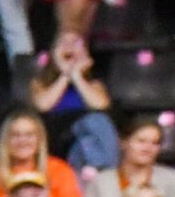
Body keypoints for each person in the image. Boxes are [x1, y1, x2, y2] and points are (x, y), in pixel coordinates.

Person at [28, 30, 119, 169]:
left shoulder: (94, 84)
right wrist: (65, 74)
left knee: (88, 139)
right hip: (57, 136)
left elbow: (100, 106)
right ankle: (106, 176)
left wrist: (77, 76)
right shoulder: (40, 83)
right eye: (63, 42)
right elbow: (43, 106)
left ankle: (93, 175)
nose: (69, 47)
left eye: (76, 43)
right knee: (93, 123)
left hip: (81, 144)